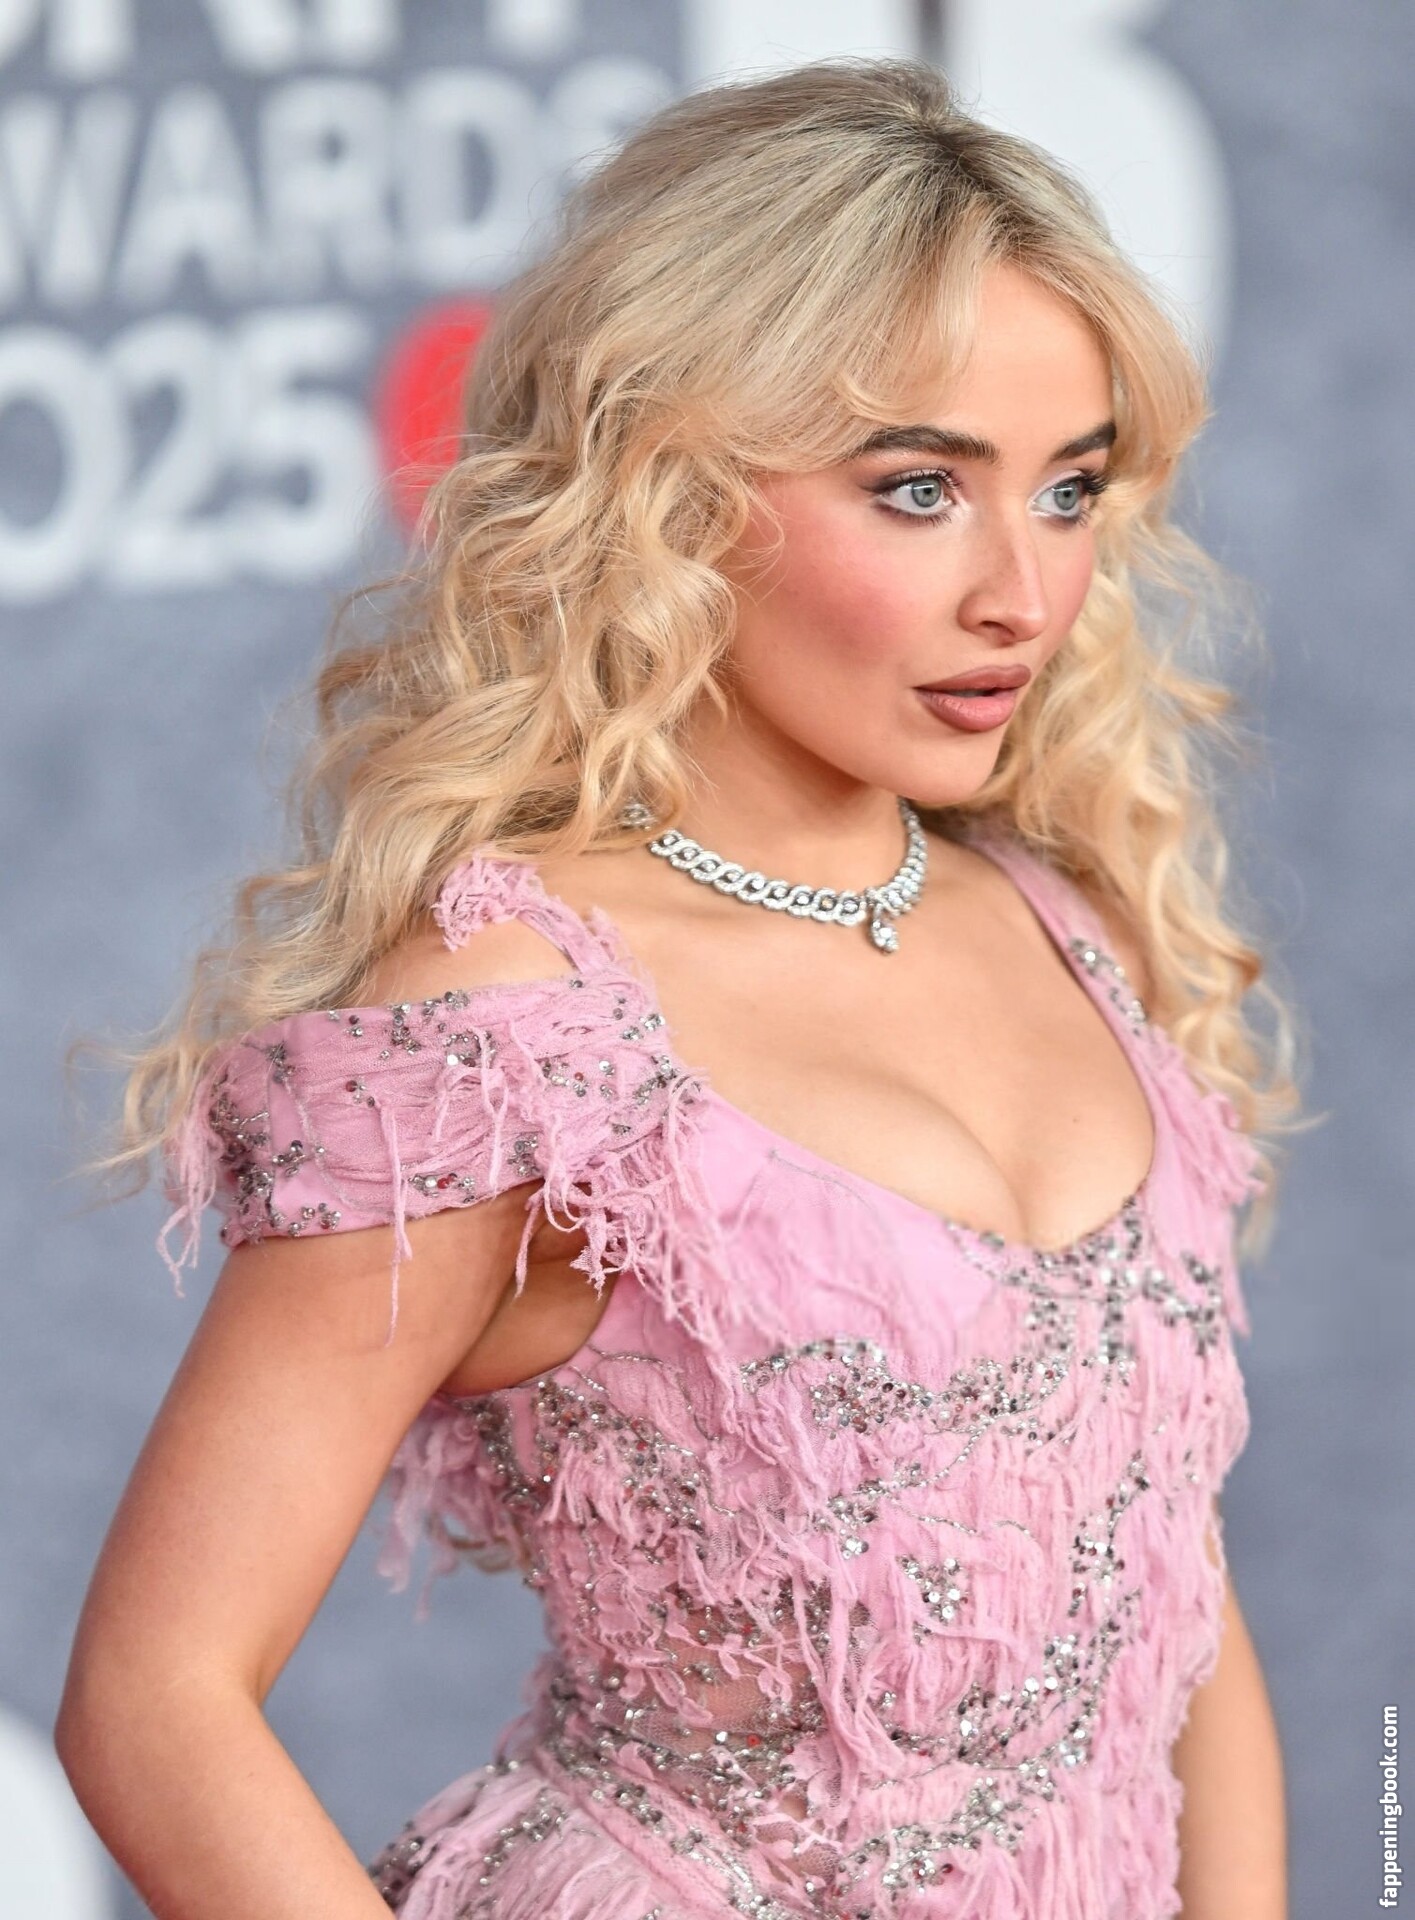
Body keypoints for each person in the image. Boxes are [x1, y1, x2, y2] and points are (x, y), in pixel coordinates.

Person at [55, 56, 1300, 1920]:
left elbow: (1172, 1598)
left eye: (1067, 490)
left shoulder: (1068, 929)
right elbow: (157, 1702)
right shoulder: (508, 1028)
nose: (1025, 595)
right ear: (671, 487)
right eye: (917, 490)